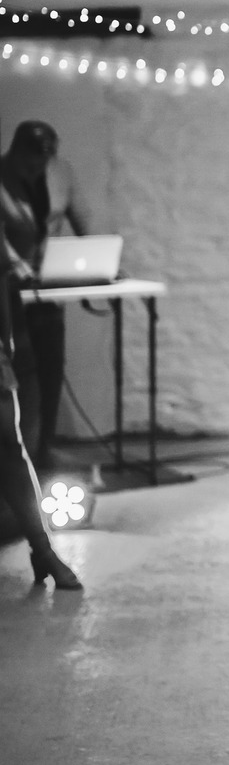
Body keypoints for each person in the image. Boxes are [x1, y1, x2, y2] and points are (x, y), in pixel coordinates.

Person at [0, 123, 83, 590]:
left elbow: (6, 266)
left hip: (7, 331)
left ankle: (42, 550)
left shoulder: (25, 191)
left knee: (11, 448)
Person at [0, 121, 91, 467]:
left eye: (45, 162)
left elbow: (83, 217)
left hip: (47, 290)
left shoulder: (61, 173)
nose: (38, 169)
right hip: (10, 293)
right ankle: (18, 458)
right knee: (23, 379)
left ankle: (43, 455)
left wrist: (102, 258)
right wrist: (14, 266)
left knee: (51, 372)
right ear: (17, 151)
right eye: (31, 162)